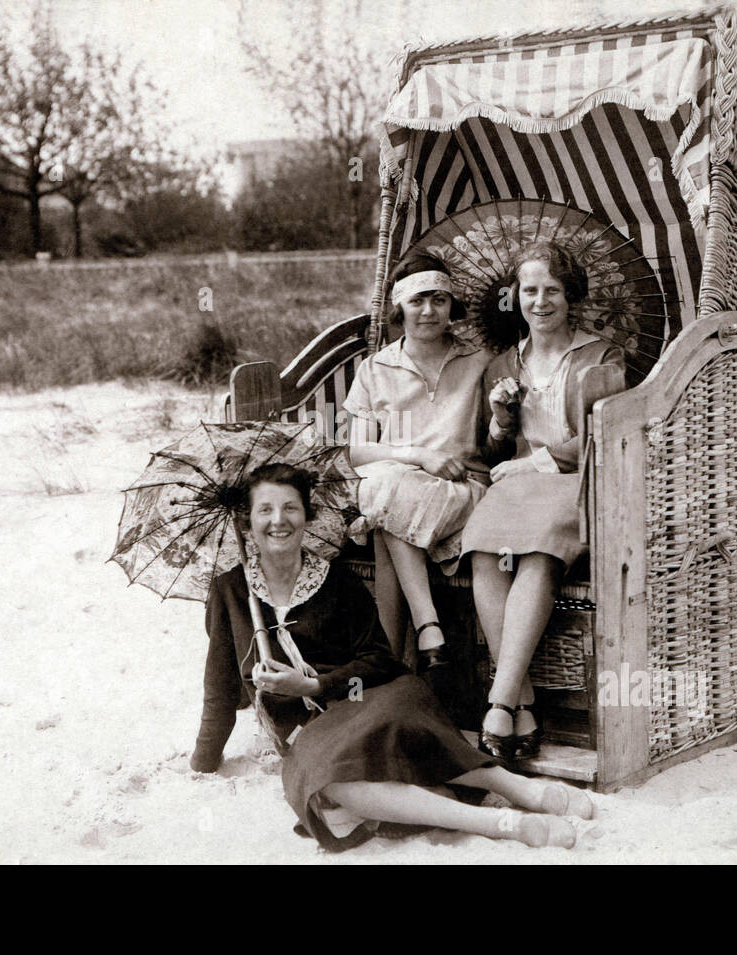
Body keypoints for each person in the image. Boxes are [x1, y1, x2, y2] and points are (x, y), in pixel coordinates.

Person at [189, 462, 591, 852]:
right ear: (248, 524)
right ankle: (501, 824)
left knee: (400, 718)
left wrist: (314, 684)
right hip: (309, 730)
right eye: (266, 510)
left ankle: (517, 788)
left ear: (307, 516)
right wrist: (203, 760)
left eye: (290, 507)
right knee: (327, 784)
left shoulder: (337, 580)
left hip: (367, 699)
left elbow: (379, 661)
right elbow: (219, 686)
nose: (279, 520)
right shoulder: (229, 590)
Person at [461, 241, 627, 761]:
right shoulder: (505, 363)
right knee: (484, 550)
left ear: (569, 295)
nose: (540, 301)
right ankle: (522, 704)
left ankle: (499, 700)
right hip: (512, 485)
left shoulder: (601, 356)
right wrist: (500, 418)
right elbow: (490, 453)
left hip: (573, 484)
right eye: (529, 290)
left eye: (551, 290)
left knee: (537, 553)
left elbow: (605, 437)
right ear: (517, 297)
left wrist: (535, 462)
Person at [343, 253, 491, 674]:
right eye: (418, 300)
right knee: (389, 490)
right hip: (398, 492)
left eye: (439, 300)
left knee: (384, 503)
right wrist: (417, 455)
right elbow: (356, 451)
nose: (429, 311)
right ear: (399, 306)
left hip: (462, 492)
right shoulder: (375, 368)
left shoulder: (478, 362)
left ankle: (396, 663)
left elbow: (495, 444)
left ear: (451, 305)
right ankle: (422, 640)